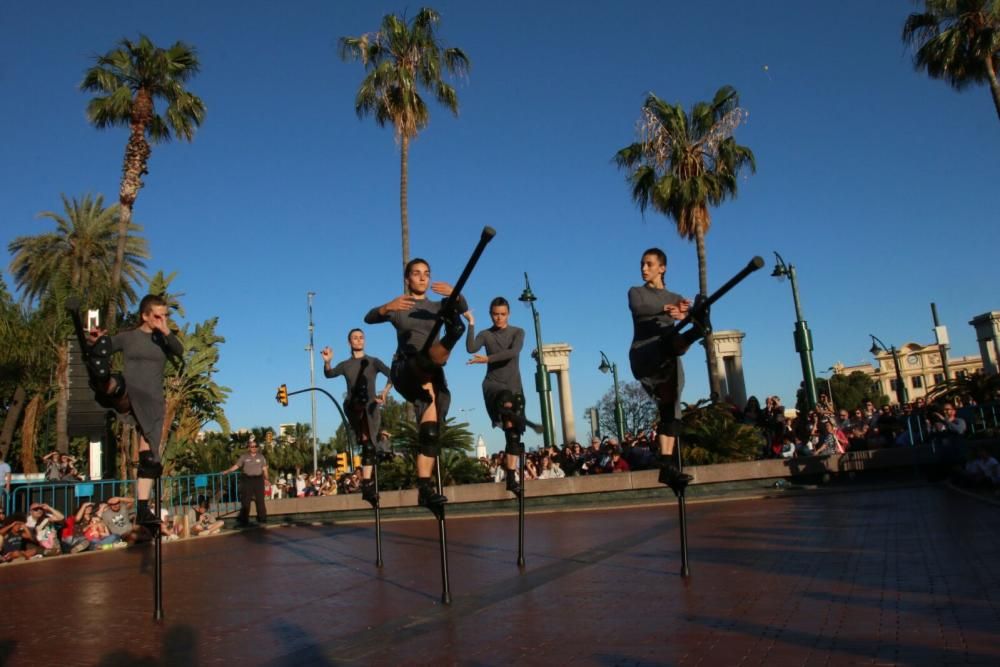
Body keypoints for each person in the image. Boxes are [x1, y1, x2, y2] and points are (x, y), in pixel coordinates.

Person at [364, 257, 468, 513]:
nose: (423, 277)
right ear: (407, 279)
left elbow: (462, 306)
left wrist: (457, 294)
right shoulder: (401, 307)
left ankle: (424, 489)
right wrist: (387, 307)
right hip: (406, 368)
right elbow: (368, 318)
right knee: (427, 358)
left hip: (431, 376)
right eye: (417, 273)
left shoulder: (437, 306)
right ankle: (447, 342)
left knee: (431, 433)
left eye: (426, 273)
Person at [87, 294, 183, 528]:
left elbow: (179, 350)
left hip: (152, 402)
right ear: (145, 316)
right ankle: (101, 381)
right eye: (157, 316)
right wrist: (97, 341)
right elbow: (108, 344)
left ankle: (142, 509)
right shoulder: (129, 337)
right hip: (131, 390)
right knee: (114, 385)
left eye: (165, 315)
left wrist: (166, 330)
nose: (162, 320)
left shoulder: (163, 340)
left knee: (150, 460)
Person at [627, 248, 707, 487]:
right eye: (642, 264)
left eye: (649, 264)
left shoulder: (675, 296)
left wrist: (687, 315)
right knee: (671, 340)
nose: (644, 268)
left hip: (668, 360)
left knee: (670, 411)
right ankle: (693, 335)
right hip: (645, 353)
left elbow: (684, 314)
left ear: (662, 268)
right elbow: (639, 310)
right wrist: (667, 310)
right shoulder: (636, 292)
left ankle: (667, 466)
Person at [465, 296, 529, 495]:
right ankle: (506, 413)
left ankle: (511, 478)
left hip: (514, 387)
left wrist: (488, 358)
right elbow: (470, 348)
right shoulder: (486, 334)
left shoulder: (518, 332)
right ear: (490, 315)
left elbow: (513, 352)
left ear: (508, 314)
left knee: (513, 434)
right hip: (494, 387)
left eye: (502, 314)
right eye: (495, 314)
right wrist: (471, 323)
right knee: (507, 405)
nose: (498, 318)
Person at [321, 328, 392, 506]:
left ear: (364, 341)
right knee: (358, 400)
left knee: (369, 447)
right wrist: (328, 362)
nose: (358, 340)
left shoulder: (373, 361)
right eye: (355, 338)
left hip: (371, 408)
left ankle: (367, 486)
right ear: (349, 343)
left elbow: (393, 375)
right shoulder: (346, 365)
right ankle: (369, 480)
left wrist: (384, 392)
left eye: (361, 338)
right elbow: (329, 374)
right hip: (354, 407)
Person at [221, 436, 269, 526]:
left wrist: (266, 479)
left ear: (257, 448)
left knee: (260, 500)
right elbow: (236, 466)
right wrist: (227, 471)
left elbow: (265, 469)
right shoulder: (244, 457)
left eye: (255, 446)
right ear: (249, 447)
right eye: (252, 446)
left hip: (258, 480)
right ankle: (244, 520)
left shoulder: (261, 457)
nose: (253, 448)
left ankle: (262, 519)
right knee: (246, 500)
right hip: (247, 480)